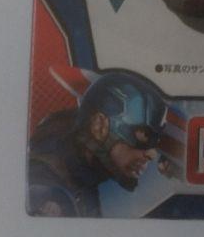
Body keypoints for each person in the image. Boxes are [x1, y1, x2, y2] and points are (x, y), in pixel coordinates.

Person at [27, 70, 169, 217]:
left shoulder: (84, 182)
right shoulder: (44, 187)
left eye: (156, 142)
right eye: (144, 135)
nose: (152, 154)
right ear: (99, 125)